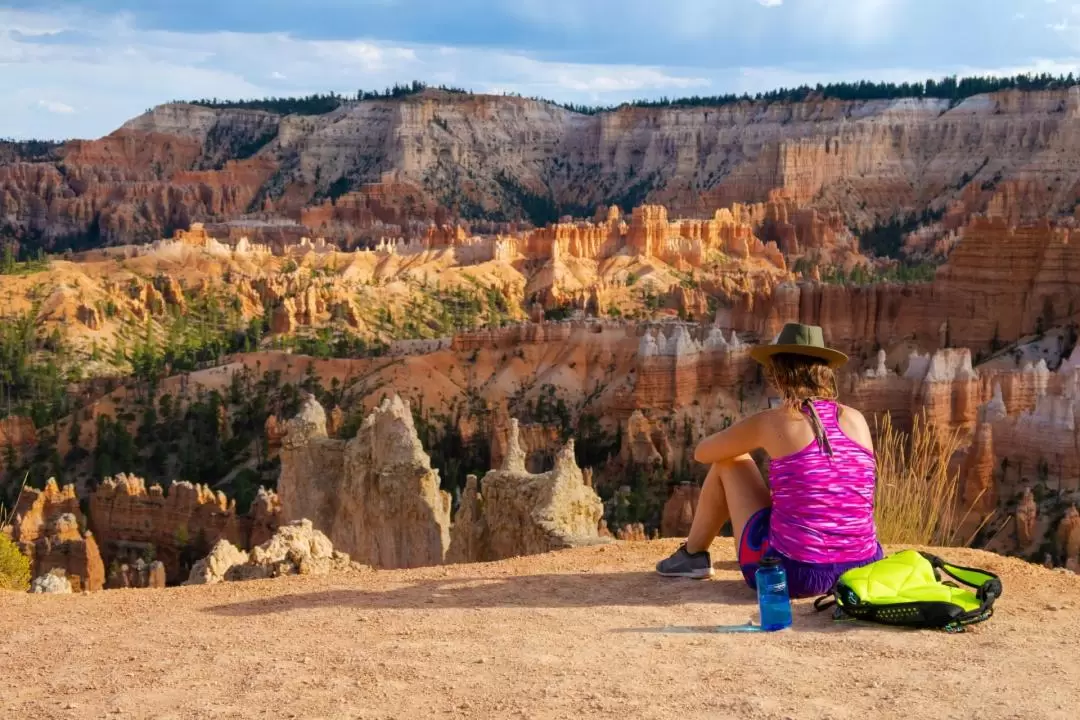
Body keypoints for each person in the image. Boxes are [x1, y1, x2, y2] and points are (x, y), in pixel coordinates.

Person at [655, 323, 883, 599]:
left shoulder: (772, 421)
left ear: (777, 374)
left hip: (795, 575)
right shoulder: (856, 419)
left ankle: (693, 556)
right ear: (825, 373)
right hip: (864, 569)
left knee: (730, 460)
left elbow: (703, 453)